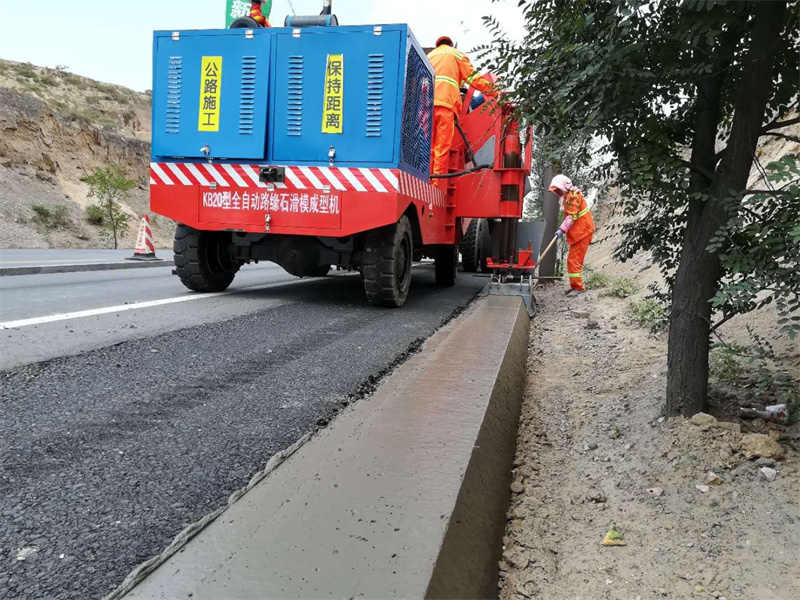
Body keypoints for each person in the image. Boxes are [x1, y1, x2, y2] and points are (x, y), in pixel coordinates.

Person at [427, 36, 496, 185]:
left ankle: (425, 177)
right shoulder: (457, 55)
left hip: (426, 106)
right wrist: (494, 91)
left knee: (428, 145)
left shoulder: (429, 56)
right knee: (442, 145)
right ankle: (435, 182)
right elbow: (474, 80)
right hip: (446, 105)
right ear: (451, 45)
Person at [549, 175, 595, 294]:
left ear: (564, 186)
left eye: (558, 189)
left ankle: (578, 288)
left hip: (583, 232)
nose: (557, 192)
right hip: (579, 233)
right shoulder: (569, 196)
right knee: (572, 260)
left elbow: (571, 217)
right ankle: (575, 286)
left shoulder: (574, 196)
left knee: (574, 261)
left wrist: (562, 230)